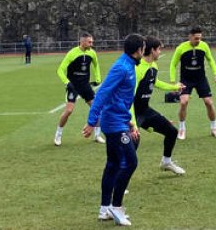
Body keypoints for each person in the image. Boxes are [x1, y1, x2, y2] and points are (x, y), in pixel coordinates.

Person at [83, 33, 145, 226]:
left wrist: (129, 121)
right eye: (143, 48)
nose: (144, 51)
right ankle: (116, 207)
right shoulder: (122, 67)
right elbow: (102, 93)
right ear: (138, 50)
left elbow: (121, 99)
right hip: (113, 124)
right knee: (131, 162)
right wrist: (92, 120)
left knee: (113, 165)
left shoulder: (130, 65)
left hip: (120, 120)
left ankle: (104, 210)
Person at [133, 36, 186, 175]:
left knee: (172, 131)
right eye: (159, 49)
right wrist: (131, 122)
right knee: (132, 143)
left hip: (145, 110)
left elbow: (155, 82)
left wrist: (173, 87)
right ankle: (117, 182)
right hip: (132, 112)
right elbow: (129, 96)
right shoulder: (138, 68)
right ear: (152, 50)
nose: (160, 52)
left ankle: (166, 162)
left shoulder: (153, 66)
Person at [170, 26, 216, 139]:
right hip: (186, 79)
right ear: (190, 36)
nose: (198, 40)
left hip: (200, 78)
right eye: (196, 38)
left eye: (200, 38)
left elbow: (210, 60)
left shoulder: (204, 46)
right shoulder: (181, 48)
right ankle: (182, 129)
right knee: (183, 102)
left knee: (209, 102)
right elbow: (173, 64)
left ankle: (214, 128)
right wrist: (172, 81)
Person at [56, 33, 103, 145]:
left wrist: (97, 79)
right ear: (82, 42)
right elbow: (60, 70)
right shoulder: (72, 53)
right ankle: (58, 135)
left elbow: (96, 65)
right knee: (68, 111)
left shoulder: (92, 53)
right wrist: (67, 83)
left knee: (97, 109)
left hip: (85, 85)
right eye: (89, 42)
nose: (92, 44)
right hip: (73, 86)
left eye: (92, 42)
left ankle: (97, 135)